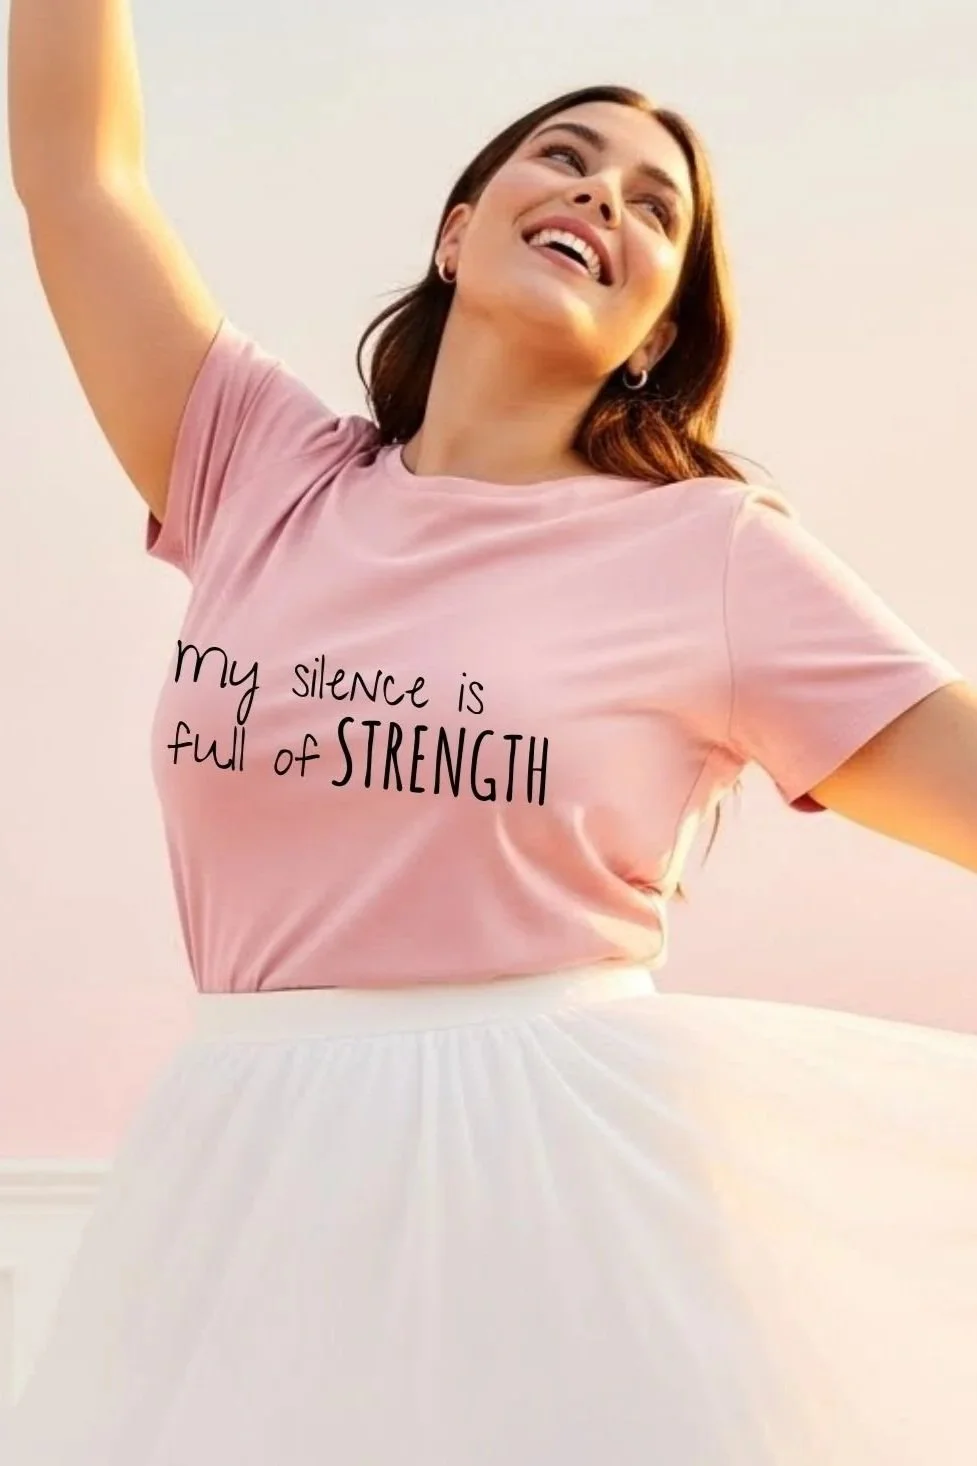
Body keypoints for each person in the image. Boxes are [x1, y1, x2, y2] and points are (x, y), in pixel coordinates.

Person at [6, 3, 977, 1464]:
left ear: (656, 333)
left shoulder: (710, 553)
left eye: (655, 206)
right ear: (459, 234)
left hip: (561, 1199)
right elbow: (79, 175)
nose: (603, 195)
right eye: (568, 160)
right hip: (241, 1180)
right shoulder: (258, 467)